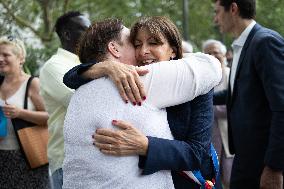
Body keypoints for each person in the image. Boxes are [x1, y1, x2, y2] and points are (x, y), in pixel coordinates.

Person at [62, 17, 222, 189]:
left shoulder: (192, 80)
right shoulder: (135, 78)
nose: (143, 51)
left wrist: (146, 145)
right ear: (114, 49)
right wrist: (106, 66)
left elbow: (198, 154)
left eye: (154, 43)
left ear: (173, 50)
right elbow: (69, 77)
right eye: (136, 44)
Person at [213, 0, 284, 188]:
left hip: (263, 164)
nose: (215, 19)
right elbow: (239, 93)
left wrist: (274, 167)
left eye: (217, 11)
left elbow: (282, 106)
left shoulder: (264, 41)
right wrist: (201, 97)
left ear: (233, 9)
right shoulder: (243, 44)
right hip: (245, 159)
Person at [39, 11, 91, 189]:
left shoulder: (90, 62)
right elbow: (82, 103)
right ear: (67, 34)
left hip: (93, 159)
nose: (91, 34)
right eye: (85, 29)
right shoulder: (54, 66)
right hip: (68, 162)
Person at [0, 36, 50, 188]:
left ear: (20, 58)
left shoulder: (32, 83)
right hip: (2, 158)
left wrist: (20, 113)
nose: (0, 59)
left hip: (29, 157)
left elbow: (50, 117)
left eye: (6, 55)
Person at [202, 39, 233, 189]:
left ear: (224, 55)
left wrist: (207, 109)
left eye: (216, 52)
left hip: (229, 134)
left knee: (230, 176)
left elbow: (234, 105)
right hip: (208, 137)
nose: (213, 55)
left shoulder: (230, 75)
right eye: (209, 53)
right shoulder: (202, 77)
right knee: (213, 177)